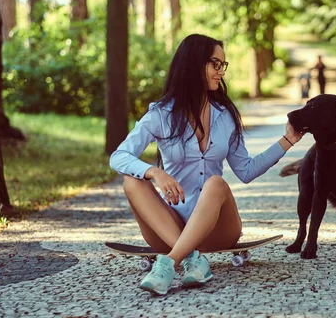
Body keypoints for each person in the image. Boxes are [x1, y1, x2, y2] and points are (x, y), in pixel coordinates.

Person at [109, 34, 304, 296]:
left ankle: (168, 263)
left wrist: (287, 141)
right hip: (170, 229)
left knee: (216, 183)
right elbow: (119, 156)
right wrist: (154, 172)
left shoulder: (226, 117)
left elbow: (245, 171)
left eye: (223, 65)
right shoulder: (160, 115)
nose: (221, 73)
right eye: (215, 64)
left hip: (218, 230)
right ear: (193, 64)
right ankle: (191, 258)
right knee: (131, 179)